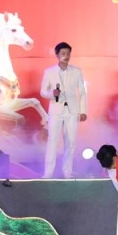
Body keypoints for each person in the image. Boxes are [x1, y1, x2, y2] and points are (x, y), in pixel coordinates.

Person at [40, 41, 88, 178]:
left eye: (68, 53)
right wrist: (52, 94)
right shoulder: (49, 72)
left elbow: (82, 92)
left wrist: (83, 110)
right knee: (52, 142)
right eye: (63, 53)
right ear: (57, 55)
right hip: (56, 111)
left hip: (72, 111)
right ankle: (48, 173)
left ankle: (67, 172)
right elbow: (43, 92)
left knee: (70, 142)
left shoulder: (77, 71)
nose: (66, 56)